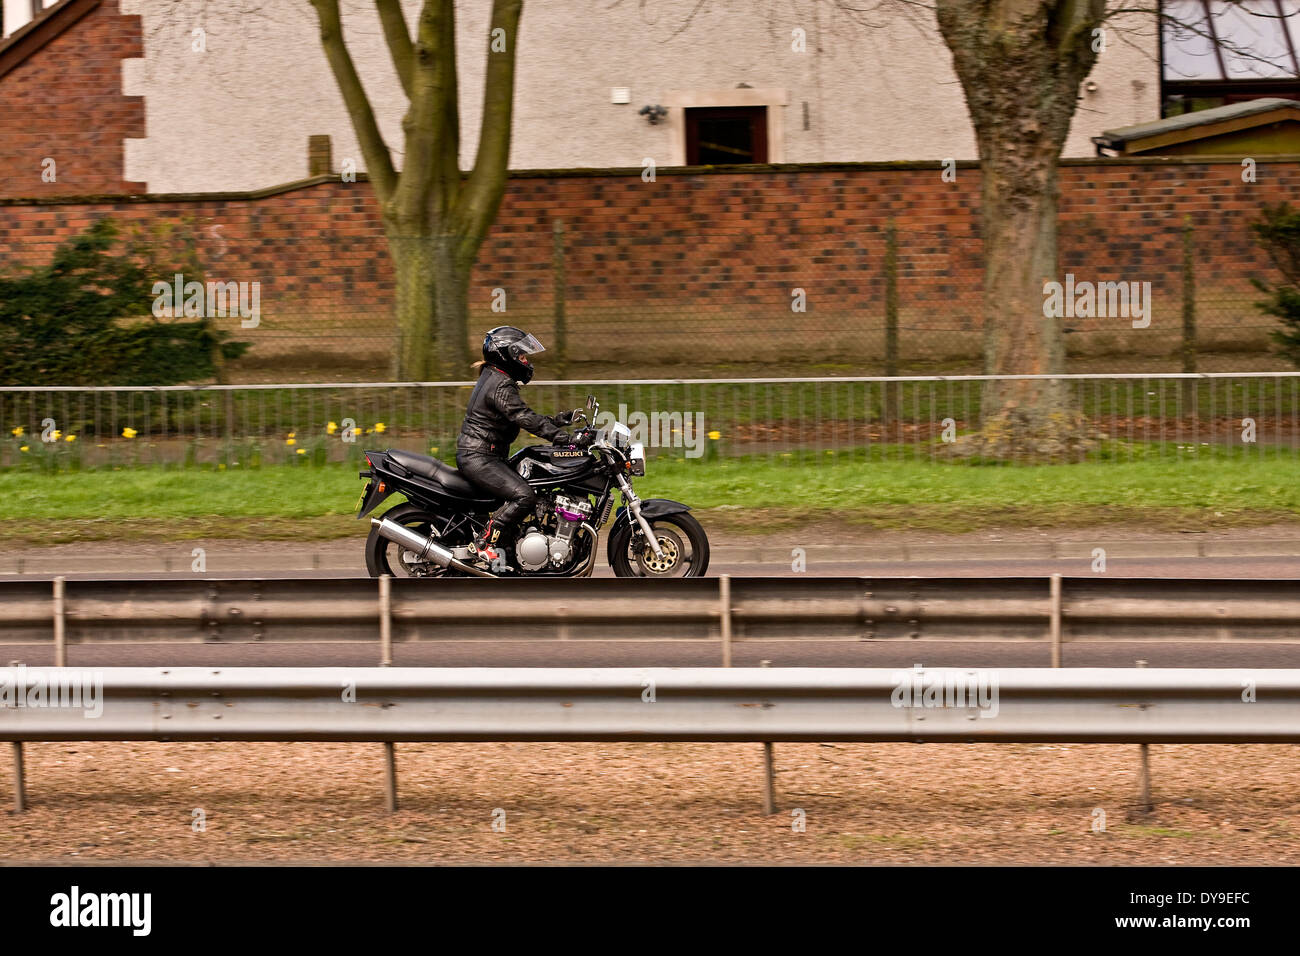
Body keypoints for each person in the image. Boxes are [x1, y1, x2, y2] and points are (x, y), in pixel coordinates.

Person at [457, 326, 592, 567]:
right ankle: (484, 544)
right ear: (506, 355)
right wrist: (567, 439)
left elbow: (522, 416)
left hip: (485, 455)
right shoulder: (500, 384)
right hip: (479, 458)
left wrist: (558, 421)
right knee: (524, 496)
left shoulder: (496, 378)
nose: (526, 361)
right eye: (521, 356)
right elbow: (525, 418)